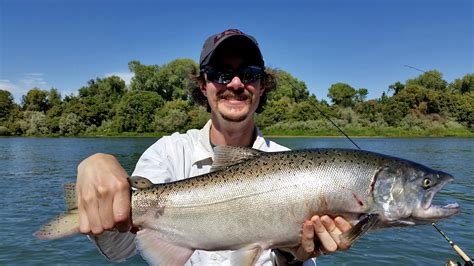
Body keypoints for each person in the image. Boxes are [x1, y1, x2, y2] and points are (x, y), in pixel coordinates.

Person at [76, 29, 352, 265]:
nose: (235, 83)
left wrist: (292, 256)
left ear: (262, 86)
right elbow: (118, 249)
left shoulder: (299, 172)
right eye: (220, 74)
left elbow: (302, 259)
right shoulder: (168, 153)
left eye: (249, 73)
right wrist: (97, 164)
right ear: (203, 85)